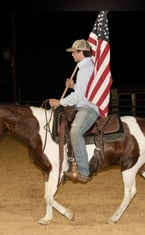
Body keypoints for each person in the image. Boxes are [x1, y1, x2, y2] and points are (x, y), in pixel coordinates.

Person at [49, 39, 99, 184]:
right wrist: (74, 85)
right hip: (84, 104)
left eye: (74, 52)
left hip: (88, 107)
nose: (72, 55)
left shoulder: (85, 68)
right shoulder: (85, 67)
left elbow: (80, 96)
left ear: (80, 52)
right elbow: (84, 90)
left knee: (75, 131)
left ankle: (83, 170)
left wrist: (60, 102)